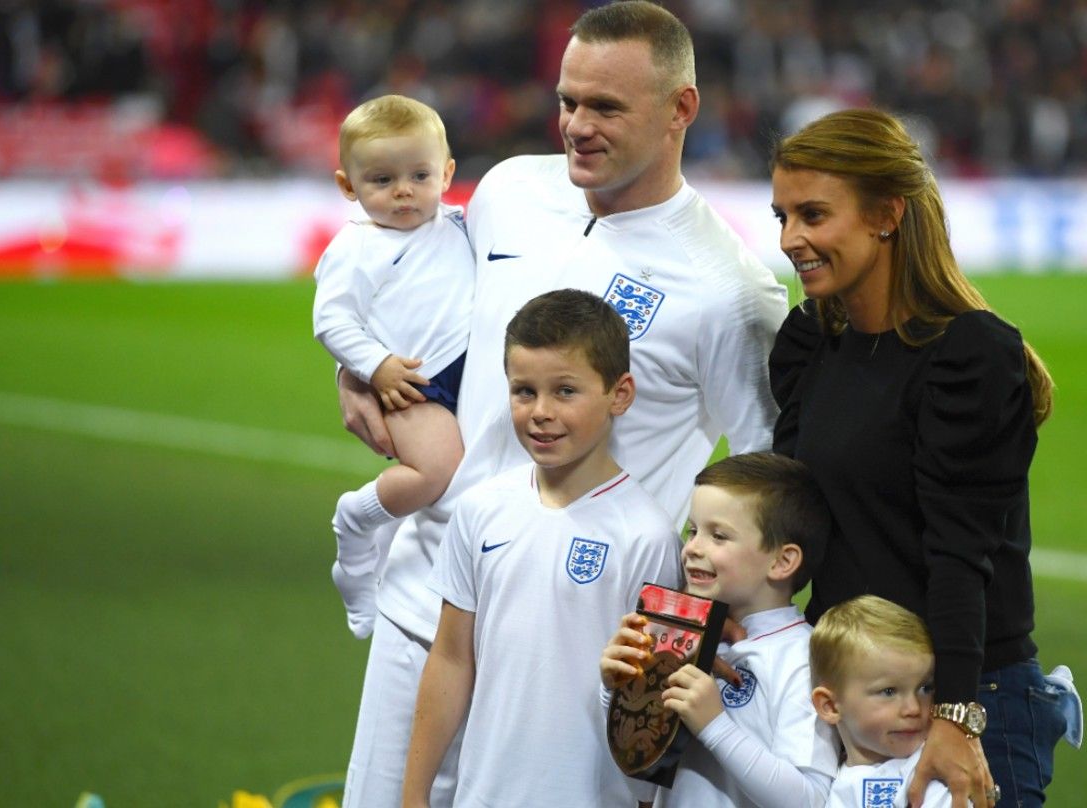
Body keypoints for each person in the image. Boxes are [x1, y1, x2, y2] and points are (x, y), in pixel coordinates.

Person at [336, 3, 787, 805]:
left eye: (605, 106)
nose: (576, 125)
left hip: (576, 657)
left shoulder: (730, 293)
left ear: (681, 109)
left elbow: (770, 483)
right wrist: (356, 368)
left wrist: (703, 645)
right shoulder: (509, 191)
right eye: (567, 101)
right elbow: (418, 291)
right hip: (425, 607)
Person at [768, 107, 1068, 808]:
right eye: (781, 215)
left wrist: (955, 718)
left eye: (813, 214)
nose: (790, 239)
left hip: (962, 701)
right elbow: (792, 525)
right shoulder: (812, 341)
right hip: (849, 707)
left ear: (886, 215)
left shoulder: (969, 355)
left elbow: (961, 553)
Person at [400, 289, 682, 807]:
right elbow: (450, 658)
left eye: (566, 391)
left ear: (619, 394)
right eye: (523, 391)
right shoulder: (480, 509)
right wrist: (413, 795)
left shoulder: (646, 536)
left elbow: (649, 708)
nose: (541, 412)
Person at [312, 94, 473, 639]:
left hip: (469, 376)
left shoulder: (462, 226)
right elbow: (331, 322)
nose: (404, 190)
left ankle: (387, 538)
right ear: (347, 186)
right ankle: (358, 524)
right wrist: (374, 368)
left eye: (419, 175)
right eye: (381, 180)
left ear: (447, 173)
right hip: (411, 384)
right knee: (435, 472)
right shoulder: (355, 248)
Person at [601, 451, 841, 808]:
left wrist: (714, 725)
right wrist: (617, 691)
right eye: (693, 530)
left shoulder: (803, 659)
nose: (692, 548)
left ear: (782, 561)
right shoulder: (683, 641)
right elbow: (642, 774)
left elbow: (810, 800)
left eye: (719, 536)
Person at [810, 594, 954, 808]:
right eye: (889, 692)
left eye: (925, 688)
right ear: (829, 706)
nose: (913, 708)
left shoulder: (931, 774)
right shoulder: (828, 783)